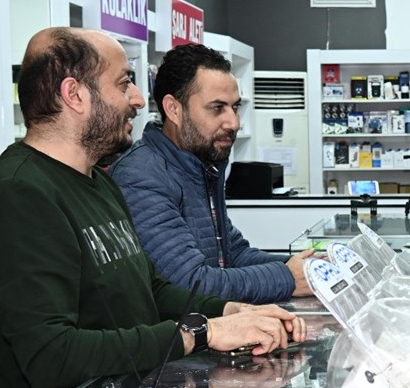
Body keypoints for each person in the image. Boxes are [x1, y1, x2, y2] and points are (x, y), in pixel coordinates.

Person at [0, 28, 304, 388]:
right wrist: (201, 332)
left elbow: (149, 290)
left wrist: (233, 312)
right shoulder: (17, 193)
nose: (138, 100)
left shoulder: (99, 184)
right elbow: (51, 356)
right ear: (74, 95)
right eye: (124, 84)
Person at [109, 43, 314, 304]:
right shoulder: (140, 177)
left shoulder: (200, 166)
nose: (233, 123)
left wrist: (307, 268)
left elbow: (232, 254)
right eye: (217, 108)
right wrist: (287, 277)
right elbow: (188, 283)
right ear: (173, 109)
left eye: (234, 107)